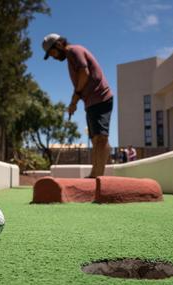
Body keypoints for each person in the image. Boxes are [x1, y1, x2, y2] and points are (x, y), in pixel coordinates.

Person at [42, 33, 113, 178]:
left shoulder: (75, 51)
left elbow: (84, 73)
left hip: (100, 98)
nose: (54, 57)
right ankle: (97, 174)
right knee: (96, 139)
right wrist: (76, 100)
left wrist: (75, 97)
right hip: (91, 102)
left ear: (59, 44)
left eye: (52, 53)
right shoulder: (70, 58)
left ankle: (96, 177)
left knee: (100, 138)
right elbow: (81, 81)